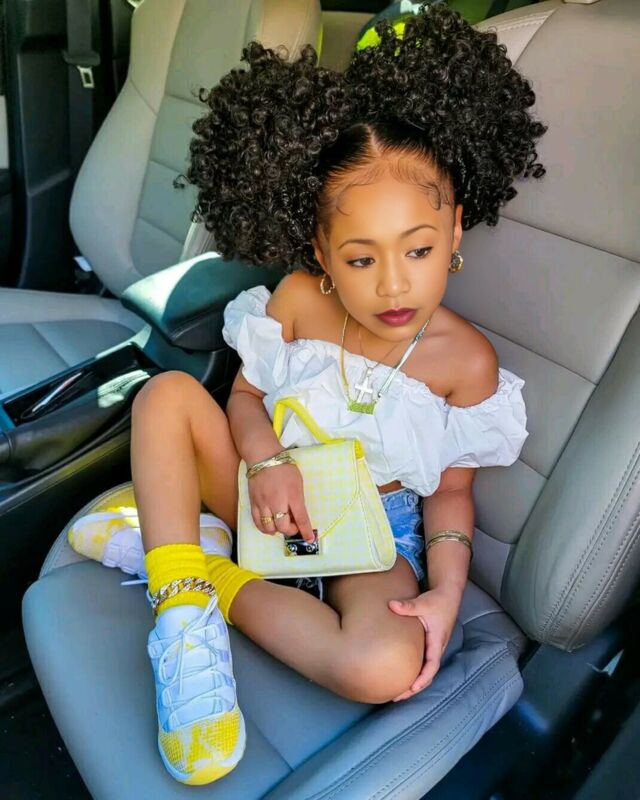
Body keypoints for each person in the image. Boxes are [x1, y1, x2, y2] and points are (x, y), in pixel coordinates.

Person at [68, 3, 545, 786]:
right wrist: (265, 463)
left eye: (419, 250)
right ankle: (183, 621)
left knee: (382, 666)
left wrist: (445, 596)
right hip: (265, 491)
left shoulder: (467, 363)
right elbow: (244, 399)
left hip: (373, 536)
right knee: (164, 397)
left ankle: (199, 570)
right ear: (320, 251)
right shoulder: (295, 300)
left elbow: (451, 495)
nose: (393, 286)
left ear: (457, 232)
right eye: (360, 259)